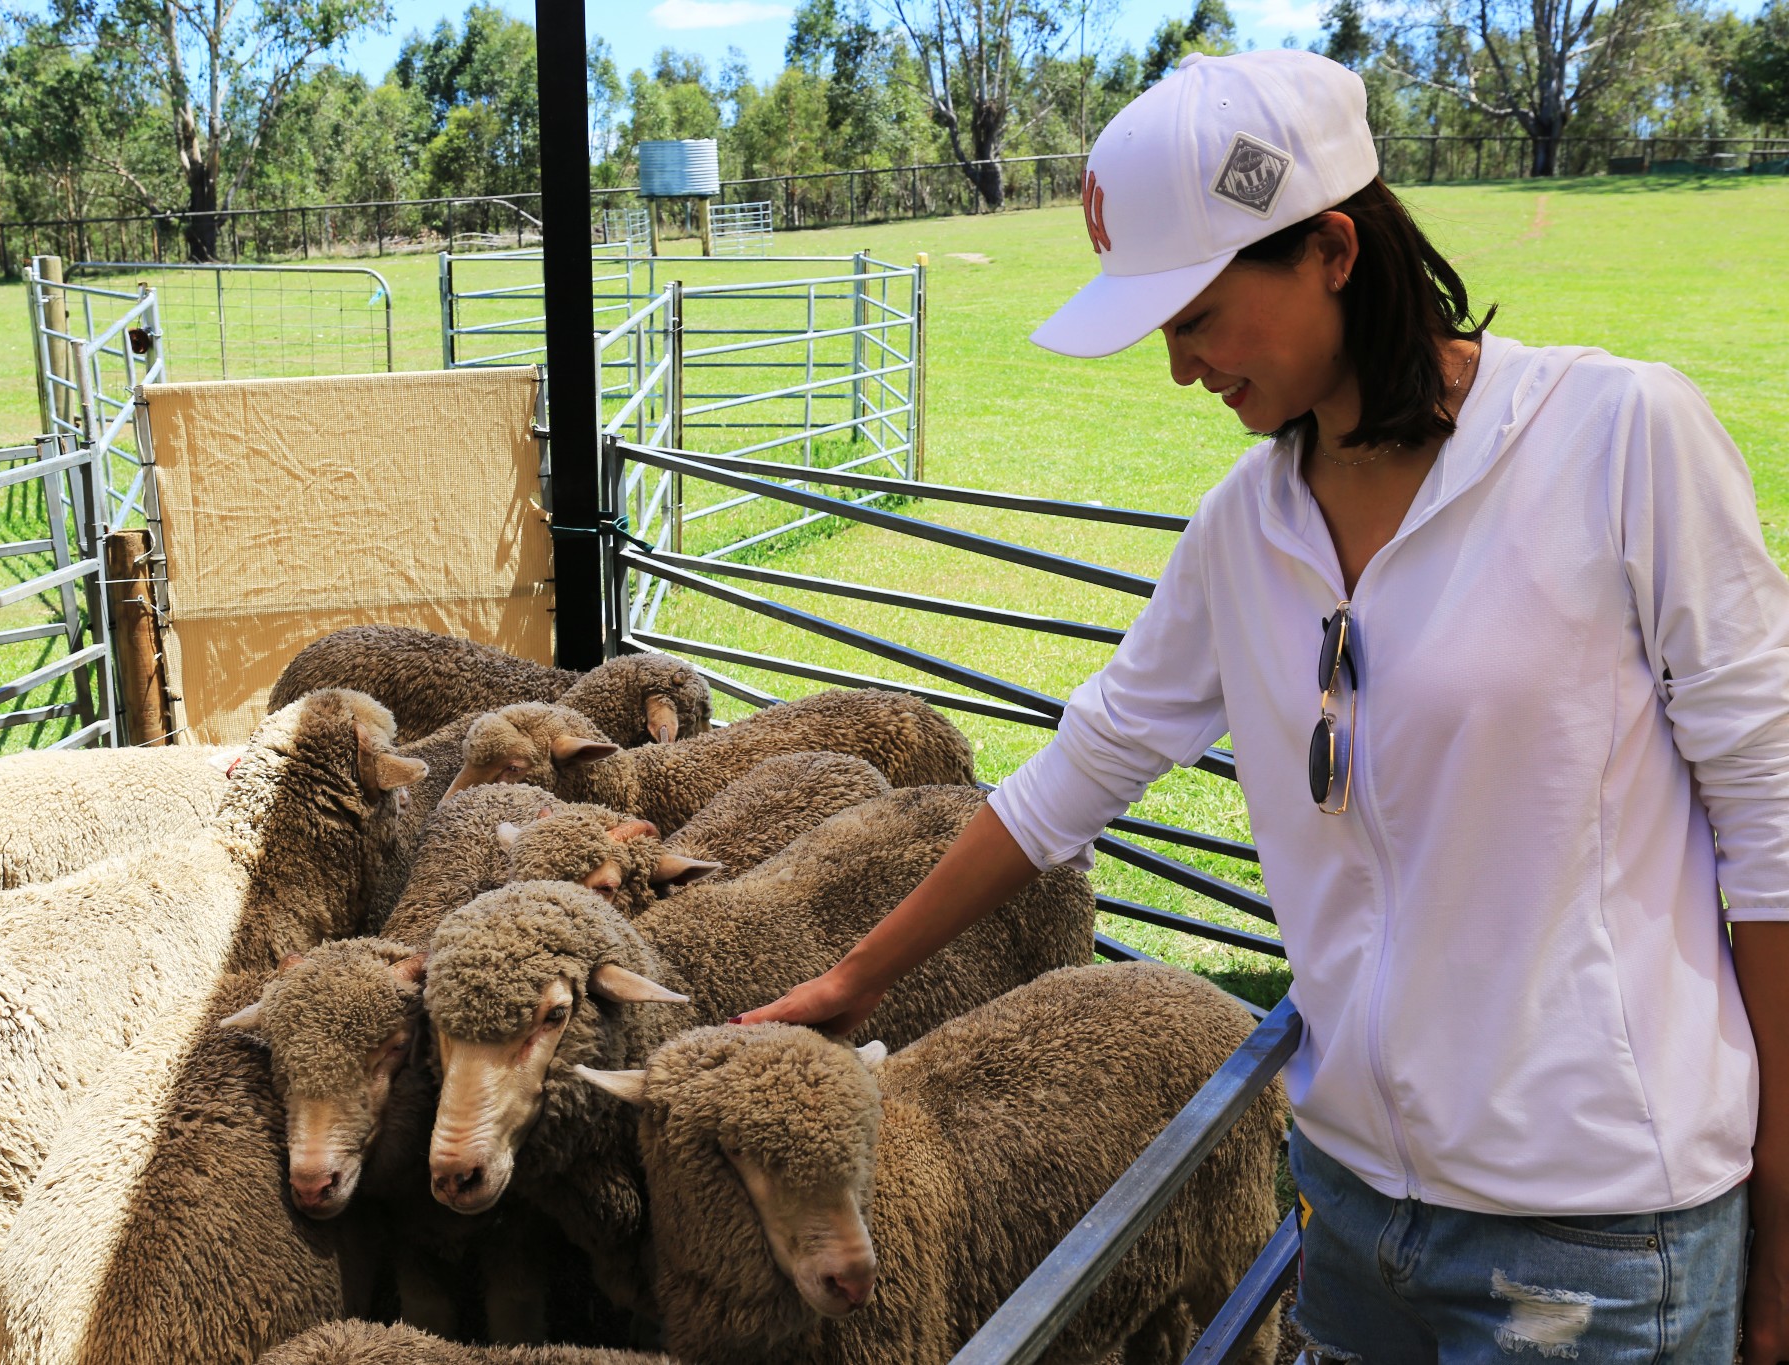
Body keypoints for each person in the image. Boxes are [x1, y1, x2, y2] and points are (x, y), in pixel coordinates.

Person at [734, 48, 1789, 1363]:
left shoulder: (1623, 441)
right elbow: (1078, 773)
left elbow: (1774, 829)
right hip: (1353, 1213)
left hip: (1592, 1239)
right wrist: (848, 980)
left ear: (1333, 250)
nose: (1181, 366)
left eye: (1197, 316)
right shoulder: (1247, 531)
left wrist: (1784, 1230)